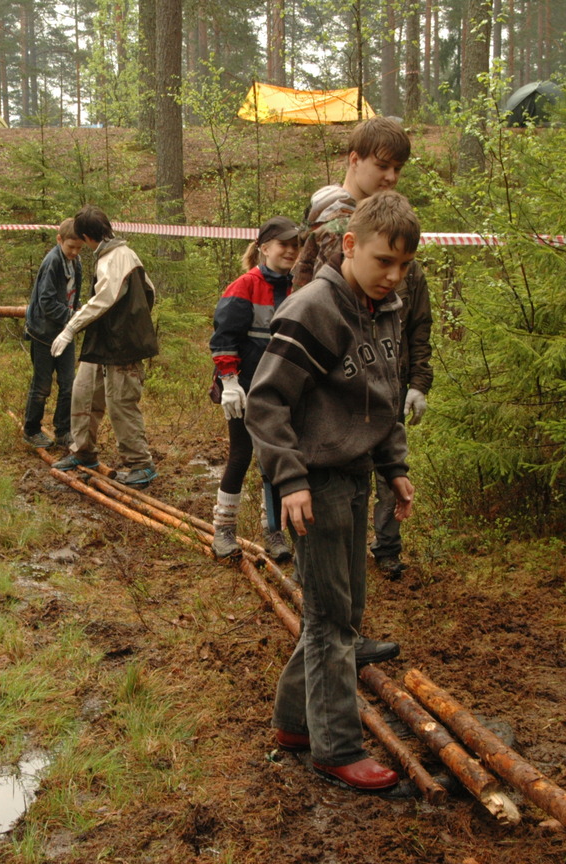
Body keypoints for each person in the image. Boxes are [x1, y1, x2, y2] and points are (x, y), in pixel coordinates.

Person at [246, 191, 420, 793]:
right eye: (382, 262)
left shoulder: (386, 308)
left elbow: (383, 394)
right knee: (330, 620)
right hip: (313, 483)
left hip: (353, 477)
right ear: (349, 246)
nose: (392, 277)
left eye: (404, 266)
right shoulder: (313, 308)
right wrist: (290, 479)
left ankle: (296, 723)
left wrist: (393, 465)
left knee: (339, 612)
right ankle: (336, 747)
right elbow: (266, 404)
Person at [292, 115, 433, 580]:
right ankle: (326, 617)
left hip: (373, 380)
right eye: (383, 166)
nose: (391, 178)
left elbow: (409, 309)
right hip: (337, 390)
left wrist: (413, 379)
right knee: (331, 515)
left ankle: (343, 615)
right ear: (354, 160)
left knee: (354, 505)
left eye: (399, 170)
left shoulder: (378, 224)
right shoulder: (339, 226)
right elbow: (327, 312)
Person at [208, 215, 300, 562]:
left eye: (295, 245)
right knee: (241, 454)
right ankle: (224, 530)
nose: (290, 251)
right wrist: (229, 381)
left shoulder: (298, 287)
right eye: (283, 245)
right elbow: (223, 337)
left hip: (281, 390)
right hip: (243, 389)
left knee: (276, 459)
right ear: (264, 248)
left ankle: (273, 531)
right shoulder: (244, 286)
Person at [49, 205, 159, 488]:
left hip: (123, 346)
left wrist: (70, 328)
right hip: (101, 342)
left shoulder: (116, 257)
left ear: (86, 236)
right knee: (84, 393)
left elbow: (105, 297)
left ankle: (141, 465)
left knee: (121, 403)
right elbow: (151, 292)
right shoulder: (113, 255)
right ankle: (83, 452)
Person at [22, 218, 84, 449]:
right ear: (59, 240)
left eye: (79, 248)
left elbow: (73, 296)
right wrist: (73, 316)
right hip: (43, 333)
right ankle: (31, 430)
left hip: (64, 333)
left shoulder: (76, 264)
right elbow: (46, 301)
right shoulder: (52, 262)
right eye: (71, 247)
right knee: (42, 385)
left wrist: (74, 319)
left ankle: (63, 430)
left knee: (69, 384)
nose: (75, 252)